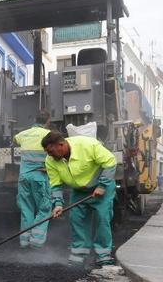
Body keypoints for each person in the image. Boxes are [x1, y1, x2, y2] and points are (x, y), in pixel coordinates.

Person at [41, 131, 117, 266]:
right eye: (47, 152)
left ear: (61, 145)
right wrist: (58, 204)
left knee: (102, 218)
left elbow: (110, 161)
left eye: (51, 151)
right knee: (76, 219)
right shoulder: (50, 160)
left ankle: (103, 256)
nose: (49, 155)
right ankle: (79, 254)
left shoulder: (87, 145)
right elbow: (55, 183)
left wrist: (102, 185)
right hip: (79, 191)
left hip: (100, 188)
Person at [14, 111, 53, 249]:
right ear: (48, 121)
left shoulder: (23, 134)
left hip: (24, 177)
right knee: (45, 208)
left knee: (26, 209)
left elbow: (15, 139)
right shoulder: (48, 135)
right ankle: (36, 241)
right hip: (39, 177)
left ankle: (24, 242)